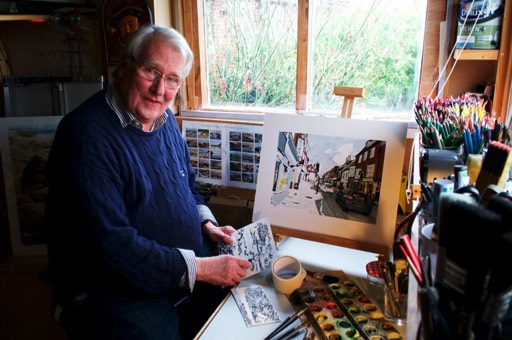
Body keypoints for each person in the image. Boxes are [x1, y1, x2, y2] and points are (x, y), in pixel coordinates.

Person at [44, 24, 251, 340]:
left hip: (179, 277)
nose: (159, 89)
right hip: (119, 294)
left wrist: (206, 225)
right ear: (123, 68)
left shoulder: (162, 120)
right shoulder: (85, 137)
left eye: (172, 79)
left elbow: (188, 186)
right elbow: (112, 247)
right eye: (151, 71)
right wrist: (204, 269)